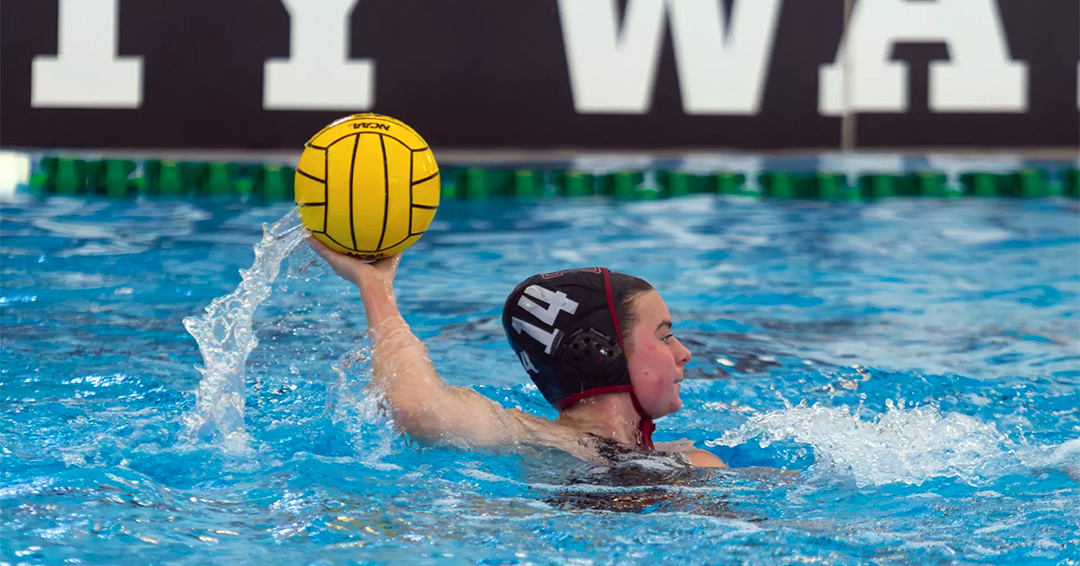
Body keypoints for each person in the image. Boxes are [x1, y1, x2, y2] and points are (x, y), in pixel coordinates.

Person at [309, 238, 726, 468]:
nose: (684, 353)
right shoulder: (528, 438)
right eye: (665, 334)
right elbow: (414, 406)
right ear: (603, 349)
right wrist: (374, 287)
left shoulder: (692, 459)